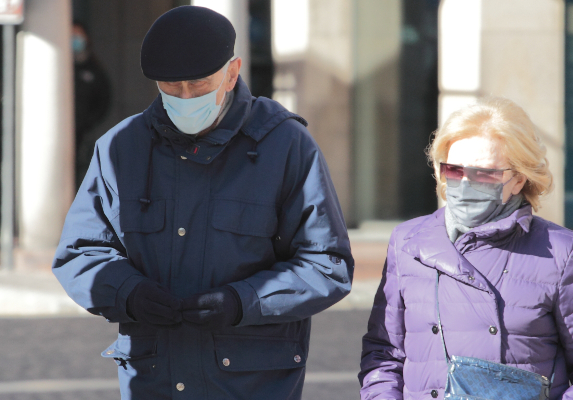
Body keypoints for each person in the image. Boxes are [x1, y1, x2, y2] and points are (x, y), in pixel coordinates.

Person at [52, 6, 353, 400]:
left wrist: (243, 301)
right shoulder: (120, 147)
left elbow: (327, 264)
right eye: (171, 86)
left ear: (232, 73)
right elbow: (80, 252)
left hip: (251, 383)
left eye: (198, 84)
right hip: (154, 380)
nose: (185, 96)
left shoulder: (286, 145)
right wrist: (127, 292)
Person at [359, 97, 573, 399]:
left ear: (519, 179)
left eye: (484, 174)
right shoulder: (408, 241)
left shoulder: (561, 252)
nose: (465, 184)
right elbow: (383, 354)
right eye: (454, 170)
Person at [71, 21, 111, 190]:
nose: (74, 39)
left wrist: (88, 122)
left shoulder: (93, 69)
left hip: (83, 131)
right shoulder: (59, 66)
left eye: (78, 35)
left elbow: (104, 100)